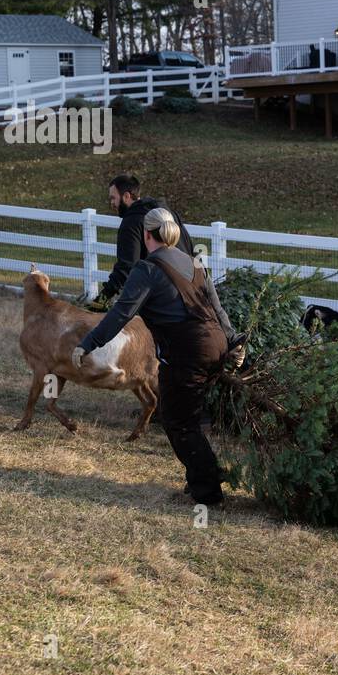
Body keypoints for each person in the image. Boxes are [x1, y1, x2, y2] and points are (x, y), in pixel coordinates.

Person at [72, 207, 245, 505]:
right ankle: (199, 480)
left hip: (185, 352)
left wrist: (88, 342)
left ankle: (209, 493)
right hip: (213, 345)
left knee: (178, 421)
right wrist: (233, 341)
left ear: (146, 234)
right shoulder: (195, 263)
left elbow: (121, 313)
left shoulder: (147, 269)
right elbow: (217, 309)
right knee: (190, 415)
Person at [95, 174, 195, 306]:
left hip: (160, 298)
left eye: (113, 198)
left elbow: (126, 267)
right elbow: (189, 247)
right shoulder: (168, 212)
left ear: (126, 196)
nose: (112, 203)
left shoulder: (131, 222)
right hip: (189, 293)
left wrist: (102, 299)